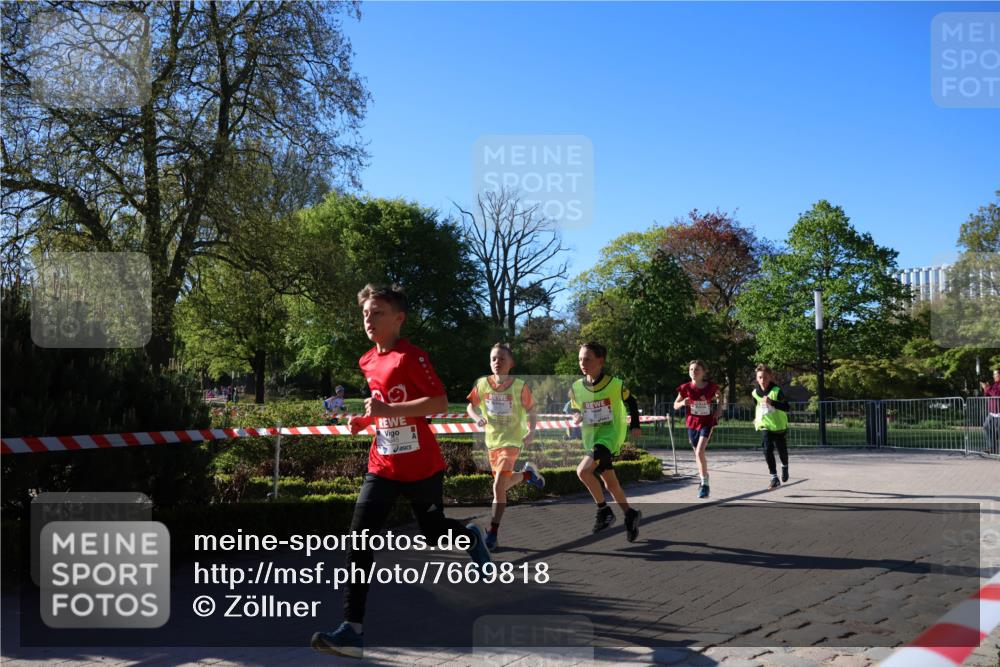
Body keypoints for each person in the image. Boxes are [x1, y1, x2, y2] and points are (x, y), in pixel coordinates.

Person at [311, 284, 491, 659]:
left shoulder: (412, 356)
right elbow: (386, 405)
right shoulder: (366, 361)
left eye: (377, 313)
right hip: (383, 463)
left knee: (435, 532)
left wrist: (385, 413)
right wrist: (367, 419)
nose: (368, 320)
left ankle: (471, 536)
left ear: (398, 319)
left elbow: (439, 401)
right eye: (365, 313)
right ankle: (352, 630)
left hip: (421, 466)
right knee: (359, 540)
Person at [466, 342, 544, 551]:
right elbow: (470, 406)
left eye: (502, 359)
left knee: (498, 485)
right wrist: (477, 417)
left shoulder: (519, 386)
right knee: (502, 485)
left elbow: (532, 409)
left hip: (512, 441)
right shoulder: (482, 384)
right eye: (493, 359)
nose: (497, 362)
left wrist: (532, 430)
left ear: (511, 363)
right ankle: (527, 475)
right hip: (493, 443)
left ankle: (493, 532)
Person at [570, 342, 642, 542]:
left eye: (587, 359)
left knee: (583, 471)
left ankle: (604, 511)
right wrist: (577, 415)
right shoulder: (577, 387)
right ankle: (630, 514)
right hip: (592, 437)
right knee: (611, 484)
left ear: (600, 361)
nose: (582, 363)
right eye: (580, 359)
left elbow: (632, 401)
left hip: (609, 437)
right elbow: (575, 407)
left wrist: (635, 424)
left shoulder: (614, 384)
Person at [673, 360, 723, 499]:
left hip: (707, 422)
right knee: (697, 454)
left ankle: (704, 484)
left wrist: (719, 408)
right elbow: (675, 405)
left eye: (696, 369)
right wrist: (682, 402)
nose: (693, 372)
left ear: (703, 372)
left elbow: (719, 396)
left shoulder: (711, 387)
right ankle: (704, 476)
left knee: (700, 451)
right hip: (692, 424)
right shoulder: (685, 388)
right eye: (691, 369)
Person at [752, 364, 790, 489]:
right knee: (767, 449)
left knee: (781, 450)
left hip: (778, 425)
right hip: (765, 425)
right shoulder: (755, 393)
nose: (763, 380)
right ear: (757, 378)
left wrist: (772, 402)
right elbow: (758, 406)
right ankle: (774, 477)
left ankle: (784, 466)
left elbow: (787, 407)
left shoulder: (777, 391)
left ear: (771, 377)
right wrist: (756, 418)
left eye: (765, 377)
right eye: (760, 377)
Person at [981, 369, 1000, 455]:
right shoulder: (994, 384)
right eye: (993, 374)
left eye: (995, 374)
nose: (993, 376)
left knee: (997, 432)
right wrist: (985, 388)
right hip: (992, 413)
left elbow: (996, 394)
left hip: (999, 413)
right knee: (986, 427)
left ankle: (995, 449)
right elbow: (987, 395)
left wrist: (988, 388)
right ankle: (992, 448)